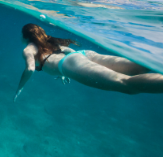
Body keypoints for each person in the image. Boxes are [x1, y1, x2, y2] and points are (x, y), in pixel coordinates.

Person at [15, 24, 163, 101]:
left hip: (71, 63)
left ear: (24, 36)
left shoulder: (28, 50)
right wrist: (63, 71)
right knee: (137, 67)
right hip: (84, 54)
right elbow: (69, 54)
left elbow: (30, 69)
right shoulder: (48, 42)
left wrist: (20, 88)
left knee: (127, 84)